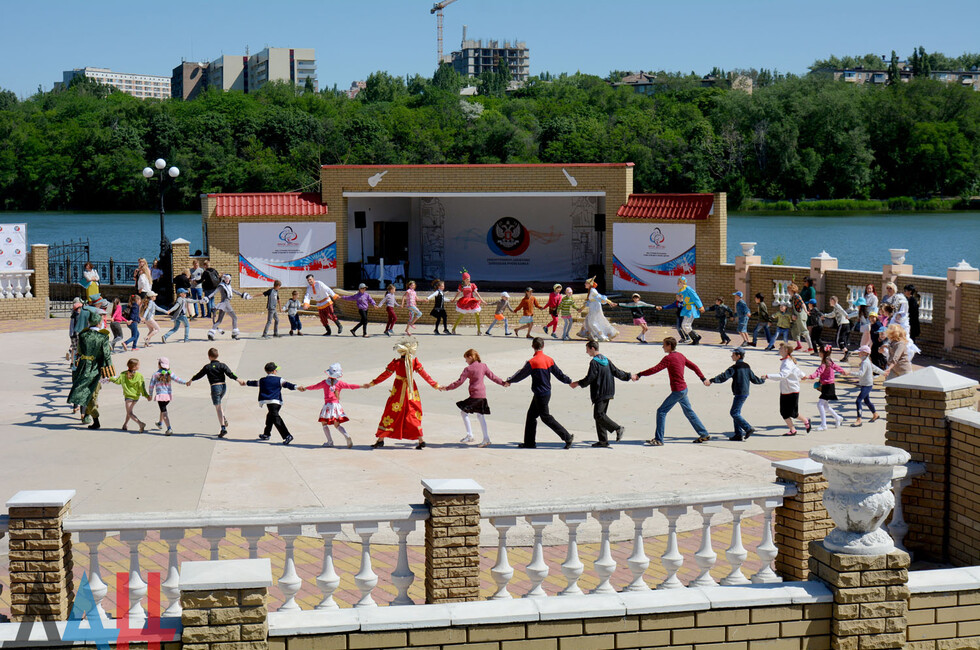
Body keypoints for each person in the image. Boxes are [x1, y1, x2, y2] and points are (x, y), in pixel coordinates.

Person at [364, 338, 442, 449]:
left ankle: (381, 439)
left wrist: (372, 383)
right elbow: (425, 375)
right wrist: (435, 385)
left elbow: (385, 375)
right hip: (411, 391)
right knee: (412, 413)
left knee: (390, 413)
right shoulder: (414, 362)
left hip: (398, 391)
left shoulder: (396, 363)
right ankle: (420, 440)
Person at [636, 336, 710, 445]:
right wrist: (703, 378)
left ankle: (659, 439)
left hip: (678, 391)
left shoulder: (668, 358)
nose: (662, 347)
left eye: (664, 345)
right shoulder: (680, 355)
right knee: (689, 412)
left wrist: (640, 374)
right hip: (683, 389)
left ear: (669, 345)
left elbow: (654, 369)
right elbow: (694, 366)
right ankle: (704, 434)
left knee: (661, 411)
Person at [506, 337, 574, 449]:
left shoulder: (532, 362)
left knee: (545, 417)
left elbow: (521, 375)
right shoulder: (549, 360)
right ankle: (529, 443)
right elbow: (559, 374)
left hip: (540, 394)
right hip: (545, 393)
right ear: (543, 346)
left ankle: (567, 437)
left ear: (533, 346)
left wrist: (509, 381)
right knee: (531, 416)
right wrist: (569, 381)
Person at [570, 340, 632, 447]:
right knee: (601, 415)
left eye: (587, 349)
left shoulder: (594, 362)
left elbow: (590, 378)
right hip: (608, 391)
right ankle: (603, 441)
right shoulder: (606, 360)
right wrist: (629, 376)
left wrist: (577, 383)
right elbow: (616, 372)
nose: (586, 352)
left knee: (598, 415)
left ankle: (617, 428)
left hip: (600, 391)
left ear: (592, 348)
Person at [442, 348, 507, 447]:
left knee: (464, 412)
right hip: (482, 394)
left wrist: (447, 388)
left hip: (475, 395)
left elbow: (459, 382)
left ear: (471, 357)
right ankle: (485, 438)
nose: (466, 361)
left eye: (466, 359)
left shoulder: (468, 369)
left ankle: (471, 435)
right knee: (480, 415)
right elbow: (493, 377)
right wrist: (503, 383)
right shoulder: (483, 366)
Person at [67, 309, 115, 429]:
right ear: (99, 323)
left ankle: (88, 415)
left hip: (83, 366)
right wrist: (110, 371)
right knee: (92, 392)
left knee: (83, 390)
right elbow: (106, 355)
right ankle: (93, 417)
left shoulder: (83, 335)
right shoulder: (103, 336)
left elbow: (79, 351)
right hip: (96, 367)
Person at [706, 347, 766, 441]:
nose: (731, 356)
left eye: (733, 354)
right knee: (736, 413)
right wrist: (762, 380)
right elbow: (753, 378)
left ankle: (748, 428)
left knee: (734, 413)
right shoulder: (746, 366)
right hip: (744, 392)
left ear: (738, 356)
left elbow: (724, 376)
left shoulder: (735, 367)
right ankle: (738, 434)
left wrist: (712, 380)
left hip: (740, 393)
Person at [300, 363, 361, 448]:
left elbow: (314, 387)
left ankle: (330, 442)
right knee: (337, 425)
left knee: (324, 423)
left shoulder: (324, 383)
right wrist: (361, 386)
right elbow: (350, 386)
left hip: (328, 406)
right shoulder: (339, 383)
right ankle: (346, 436)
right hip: (336, 406)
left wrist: (305, 388)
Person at [189, 347, 245, 438]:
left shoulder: (207, 367)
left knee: (218, 408)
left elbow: (199, 375)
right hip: (223, 387)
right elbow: (230, 374)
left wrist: (191, 380)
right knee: (219, 405)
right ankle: (223, 418)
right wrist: (239, 380)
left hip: (215, 387)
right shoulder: (222, 365)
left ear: (209, 356)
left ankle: (223, 428)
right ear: (217, 356)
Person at [245, 362, 298, 444]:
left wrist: (246, 383)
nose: (277, 371)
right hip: (277, 402)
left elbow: (254, 383)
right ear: (273, 371)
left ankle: (287, 435)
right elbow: (288, 385)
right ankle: (266, 434)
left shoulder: (263, 380)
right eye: (276, 370)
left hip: (271, 403)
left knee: (276, 419)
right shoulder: (279, 379)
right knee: (270, 417)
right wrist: (296, 387)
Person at [766, 343, 811, 436]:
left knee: (793, 413)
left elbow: (782, 375)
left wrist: (767, 376)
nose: (779, 349)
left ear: (786, 350)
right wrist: (802, 375)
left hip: (792, 390)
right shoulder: (787, 361)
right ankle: (792, 430)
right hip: (785, 390)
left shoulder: (787, 363)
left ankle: (806, 421)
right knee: (784, 412)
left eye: (781, 348)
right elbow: (796, 370)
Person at [807, 345, 848, 431]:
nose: (819, 353)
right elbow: (835, 366)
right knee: (825, 405)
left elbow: (819, 371)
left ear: (823, 353)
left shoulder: (825, 362)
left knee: (820, 404)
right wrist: (842, 371)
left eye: (820, 351)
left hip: (828, 385)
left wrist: (810, 376)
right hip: (829, 385)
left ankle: (824, 425)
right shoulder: (828, 360)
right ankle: (837, 417)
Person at [148, 357, 188, 437]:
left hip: (161, 396)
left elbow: (151, 386)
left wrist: (150, 395)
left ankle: (169, 428)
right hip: (168, 396)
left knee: (164, 412)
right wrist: (185, 382)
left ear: (159, 365)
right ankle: (160, 423)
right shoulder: (170, 373)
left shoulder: (155, 374)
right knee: (163, 409)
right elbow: (178, 379)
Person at [107, 358, 150, 432]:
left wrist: (110, 378)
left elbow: (117, 381)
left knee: (129, 413)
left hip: (128, 397)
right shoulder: (139, 376)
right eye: (138, 365)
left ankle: (140, 424)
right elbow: (142, 387)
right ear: (134, 367)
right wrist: (146, 396)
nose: (139, 366)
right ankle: (125, 424)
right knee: (129, 412)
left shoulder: (123, 374)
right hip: (136, 397)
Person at [207, 274, 252, 341]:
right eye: (226, 278)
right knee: (234, 317)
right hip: (225, 304)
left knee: (219, 320)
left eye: (228, 278)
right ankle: (234, 334)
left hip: (224, 304)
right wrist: (207, 297)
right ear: (223, 279)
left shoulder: (228, 286)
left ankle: (211, 334)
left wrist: (244, 296)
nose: (227, 280)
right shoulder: (221, 286)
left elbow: (235, 292)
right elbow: (214, 293)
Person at [577, 277, 619, 342]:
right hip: (593, 307)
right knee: (588, 320)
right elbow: (588, 301)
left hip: (595, 307)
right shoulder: (590, 291)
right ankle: (591, 335)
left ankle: (601, 336)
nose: (585, 284)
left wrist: (610, 302)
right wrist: (581, 308)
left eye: (586, 283)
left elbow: (601, 297)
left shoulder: (593, 291)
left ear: (589, 284)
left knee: (592, 322)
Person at [852, 345, 885, 427]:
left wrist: (849, 373)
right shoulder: (867, 361)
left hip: (867, 385)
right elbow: (875, 368)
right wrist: (884, 373)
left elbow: (861, 374)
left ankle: (859, 420)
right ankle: (875, 414)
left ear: (865, 353)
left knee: (858, 401)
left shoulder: (865, 362)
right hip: (866, 384)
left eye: (860, 352)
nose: (858, 353)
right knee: (867, 401)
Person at [451, 271, 484, 335]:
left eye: (469, 279)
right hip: (465, 301)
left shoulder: (472, 285)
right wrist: (454, 299)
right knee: (461, 316)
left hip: (471, 301)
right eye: (467, 279)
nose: (469, 280)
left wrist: (482, 300)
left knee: (477, 314)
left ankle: (479, 330)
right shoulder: (461, 286)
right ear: (464, 280)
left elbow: (476, 293)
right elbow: (458, 293)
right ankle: (453, 328)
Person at [676, 277, 704, 345]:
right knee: (686, 325)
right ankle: (695, 338)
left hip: (691, 308)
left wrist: (700, 306)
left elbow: (695, 297)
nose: (677, 283)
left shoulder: (688, 288)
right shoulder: (681, 290)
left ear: (683, 282)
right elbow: (681, 299)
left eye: (679, 282)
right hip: (686, 308)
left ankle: (696, 337)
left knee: (685, 325)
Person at [787, 283, 812, 352]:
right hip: (797, 316)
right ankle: (799, 345)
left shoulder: (796, 296)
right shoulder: (793, 297)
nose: (788, 291)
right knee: (795, 330)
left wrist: (806, 311)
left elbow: (802, 303)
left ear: (792, 290)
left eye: (789, 290)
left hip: (800, 316)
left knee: (804, 331)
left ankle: (811, 347)